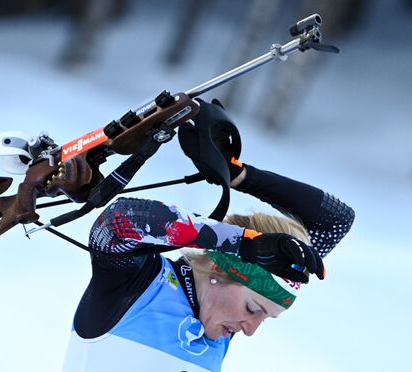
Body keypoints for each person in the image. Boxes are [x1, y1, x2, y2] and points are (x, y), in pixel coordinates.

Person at [62, 100, 355, 372]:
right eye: (253, 309)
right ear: (222, 266)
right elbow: (119, 221)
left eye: (264, 317)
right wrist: (243, 242)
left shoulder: (216, 320)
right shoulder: (137, 284)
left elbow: (335, 221)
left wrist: (238, 174)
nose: (250, 330)